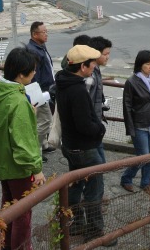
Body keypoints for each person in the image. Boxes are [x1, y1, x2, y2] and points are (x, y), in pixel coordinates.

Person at [0, 47, 46, 250]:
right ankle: (20, 247)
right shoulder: (17, 101)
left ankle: (6, 244)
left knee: (8, 206)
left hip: (2, 161)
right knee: (22, 213)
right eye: (32, 70)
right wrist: (37, 169)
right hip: (18, 166)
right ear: (21, 74)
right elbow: (23, 142)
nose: (34, 73)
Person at [55, 45, 117, 247]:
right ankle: (95, 232)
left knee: (75, 185)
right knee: (94, 190)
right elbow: (84, 125)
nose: (94, 68)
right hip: (85, 149)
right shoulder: (78, 90)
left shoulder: (63, 81)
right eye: (92, 65)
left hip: (70, 145)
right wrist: (100, 129)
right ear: (83, 66)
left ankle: (75, 223)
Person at [120, 50, 150, 192]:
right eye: (147, 64)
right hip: (139, 125)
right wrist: (130, 128)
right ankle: (126, 178)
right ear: (140, 64)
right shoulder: (131, 82)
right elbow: (127, 106)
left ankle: (146, 183)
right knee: (143, 157)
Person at [26, 21, 56, 162]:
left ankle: (43, 145)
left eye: (46, 31)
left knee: (41, 120)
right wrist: (37, 95)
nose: (46, 34)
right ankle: (35, 150)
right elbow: (33, 76)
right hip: (39, 92)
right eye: (43, 32)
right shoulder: (33, 51)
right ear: (34, 34)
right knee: (45, 120)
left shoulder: (39, 46)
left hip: (45, 90)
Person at [87, 36, 113, 163]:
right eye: (105, 54)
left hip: (95, 123)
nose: (108, 57)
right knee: (98, 163)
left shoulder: (95, 70)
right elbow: (87, 102)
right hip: (91, 126)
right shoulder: (90, 74)